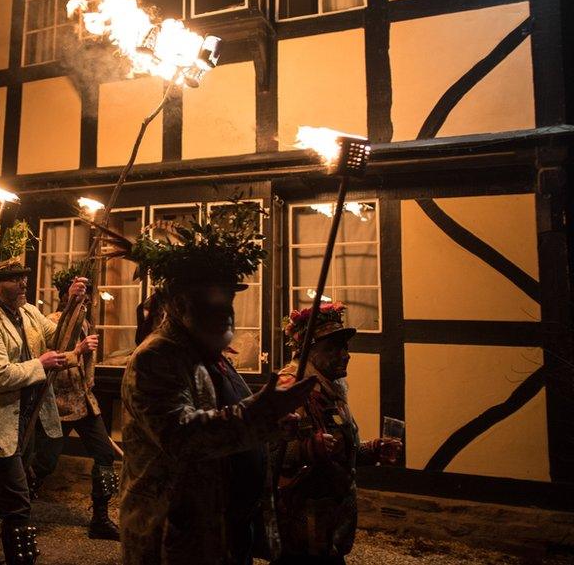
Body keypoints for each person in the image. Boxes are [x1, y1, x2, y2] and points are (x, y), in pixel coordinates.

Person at [102, 200, 317, 565]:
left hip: (223, 528)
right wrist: (257, 416)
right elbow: (182, 435)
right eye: (212, 304)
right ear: (179, 304)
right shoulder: (158, 358)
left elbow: (230, 421)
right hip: (175, 535)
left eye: (229, 302)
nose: (226, 314)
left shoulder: (210, 353)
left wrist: (274, 425)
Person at [0, 256, 91, 565]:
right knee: (19, 503)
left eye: (23, 277)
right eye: (13, 278)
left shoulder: (29, 312)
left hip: (28, 421)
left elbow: (60, 338)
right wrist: (41, 364)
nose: (23, 283)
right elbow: (1, 376)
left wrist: (72, 304)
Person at [271, 302, 402, 565]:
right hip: (300, 532)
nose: (345, 355)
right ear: (308, 351)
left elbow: (341, 451)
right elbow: (267, 450)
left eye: (346, 347)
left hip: (331, 530)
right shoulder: (290, 388)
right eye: (333, 348)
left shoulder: (333, 388)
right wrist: (308, 449)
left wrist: (371, 449)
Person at [28, 265, 117, 540]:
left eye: (87, 294)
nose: (86, 299)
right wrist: (73, 308)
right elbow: (58, 345)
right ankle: (12, 512)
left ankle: (100, 520)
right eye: (81, 294)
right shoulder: (54, 320)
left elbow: (86, 364)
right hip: (58, 405)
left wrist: (89, 381)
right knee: (44, 463)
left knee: (105, 454)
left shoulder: (86, 321)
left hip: (84, 403)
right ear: (65, 295)